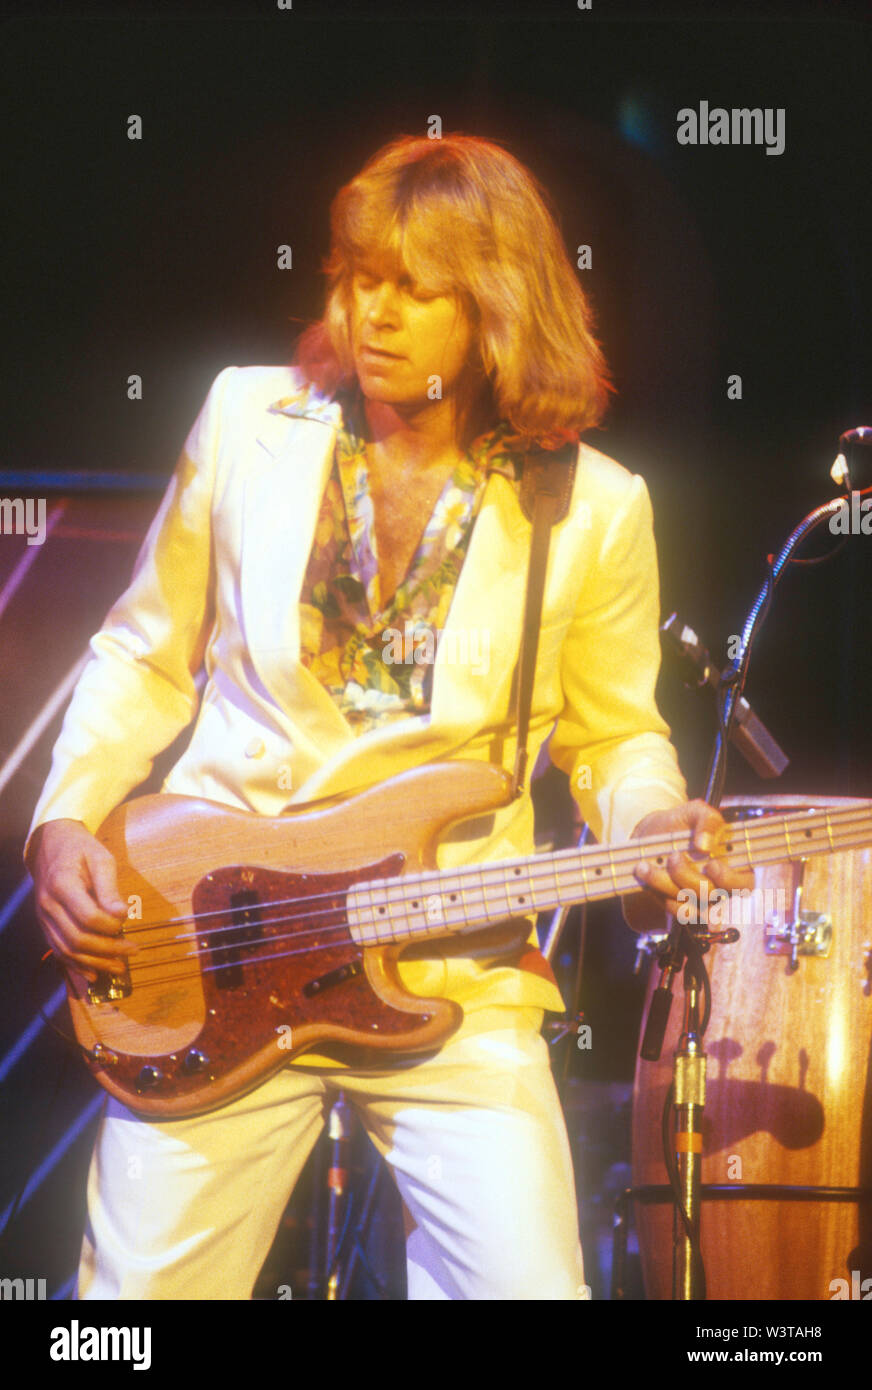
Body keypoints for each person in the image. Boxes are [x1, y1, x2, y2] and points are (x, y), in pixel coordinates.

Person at [26, 133, 752, 1300]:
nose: (375, 315)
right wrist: (64, 818)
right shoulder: (246, 418)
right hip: (219, 945)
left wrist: (652, 816)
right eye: (360, 279)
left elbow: (612, 733)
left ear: (498, 307)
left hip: (450, 974)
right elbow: (141, 651)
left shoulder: (596, 507)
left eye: (417, 291)